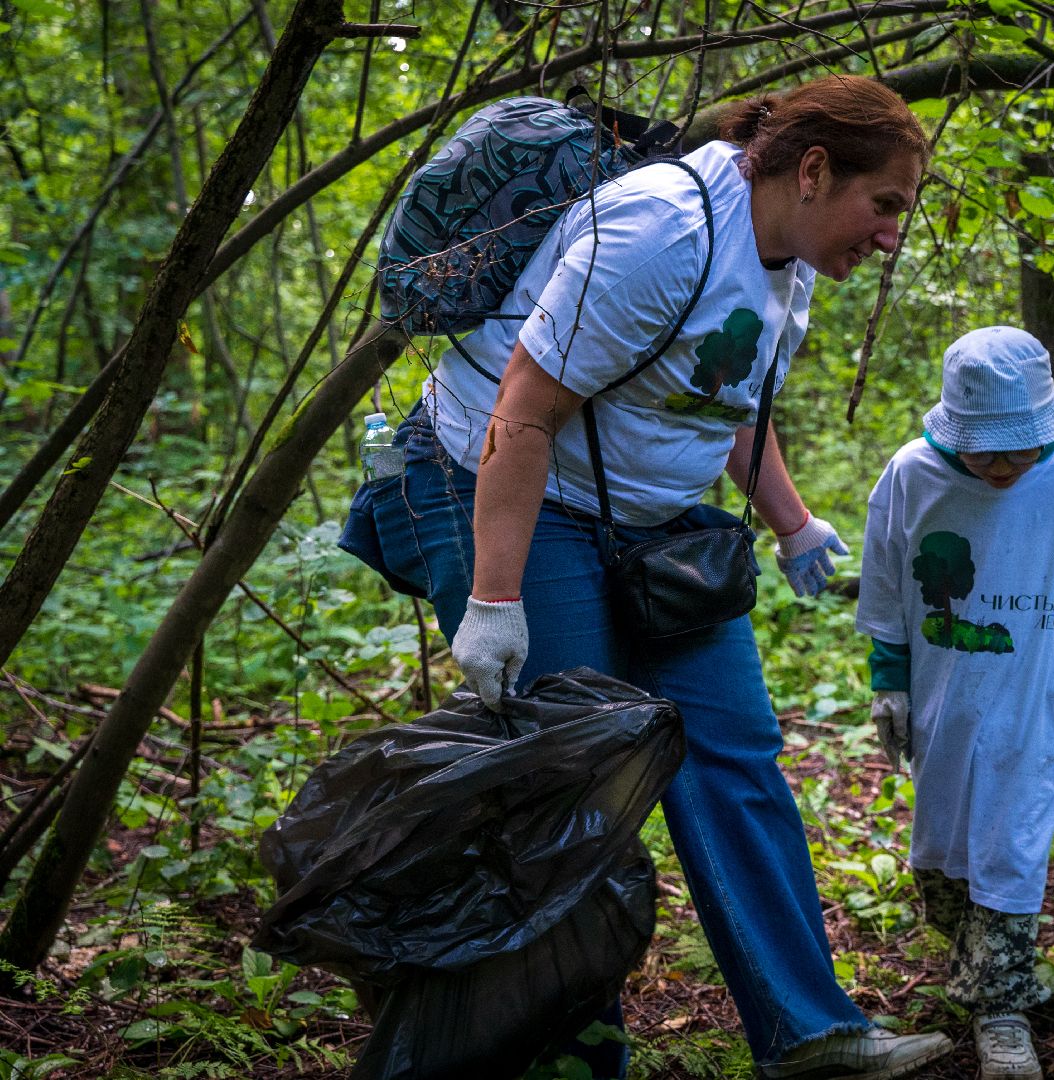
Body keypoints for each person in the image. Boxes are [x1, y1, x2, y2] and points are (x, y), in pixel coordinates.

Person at [342, 75, 951, 1080]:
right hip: (506, 493)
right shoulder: (660, 233)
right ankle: (578, 1062)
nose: (890, 234)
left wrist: (794, 527)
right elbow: (522, 413)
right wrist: (494, 602)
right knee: (574, 781)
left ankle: (809, 1033)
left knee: (735, 752)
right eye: (882, 204)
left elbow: (723, 397)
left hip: (649, 522)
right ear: (810, 171)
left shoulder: (783, 256)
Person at [854, 326, 1054, 1080]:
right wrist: (888, 680)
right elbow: (886, 579)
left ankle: (1002, 1009)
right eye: (985, 447)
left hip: (1036, 692)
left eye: (1016, 446)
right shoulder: (912, 473)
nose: (1001, 464)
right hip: (944, 696)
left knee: (1011, 840)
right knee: (945, 850)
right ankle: (976, 965)